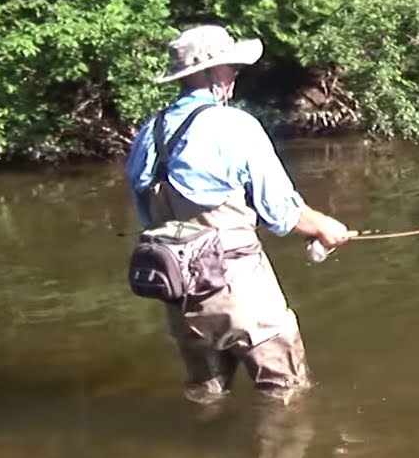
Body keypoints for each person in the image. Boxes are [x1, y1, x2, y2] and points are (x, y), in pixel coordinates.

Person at [123, 23, 354, 406]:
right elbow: (282, 213)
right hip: (242, 295)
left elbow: (148, 216)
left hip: (179, 296)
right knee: (287, 399)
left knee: (206, 398)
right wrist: (325, 227)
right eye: (230, 67)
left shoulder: (150, 132)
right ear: (209, 74)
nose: (235, 75)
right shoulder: (235, 126)